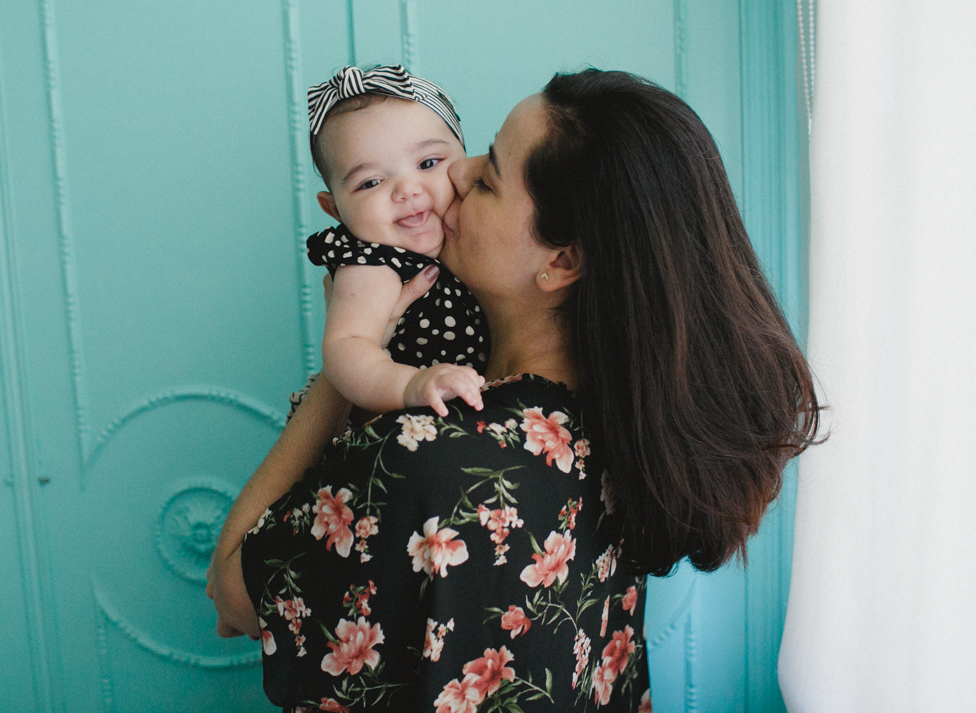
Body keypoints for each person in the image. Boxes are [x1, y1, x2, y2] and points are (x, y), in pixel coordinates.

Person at [208, 69, 820, 712]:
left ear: (562, 261)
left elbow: (231, 582)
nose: (459, 173)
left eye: (491, 175)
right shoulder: (622, 423)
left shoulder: (428, 455)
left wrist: (349, 362)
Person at [306, 64, 488, 417]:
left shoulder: (474, 234)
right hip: (394, 428)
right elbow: (347, 347)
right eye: (371, 182)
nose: (406, 190)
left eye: (428, 162)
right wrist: (409, 385)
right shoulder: (374, 263)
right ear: (335, 211)